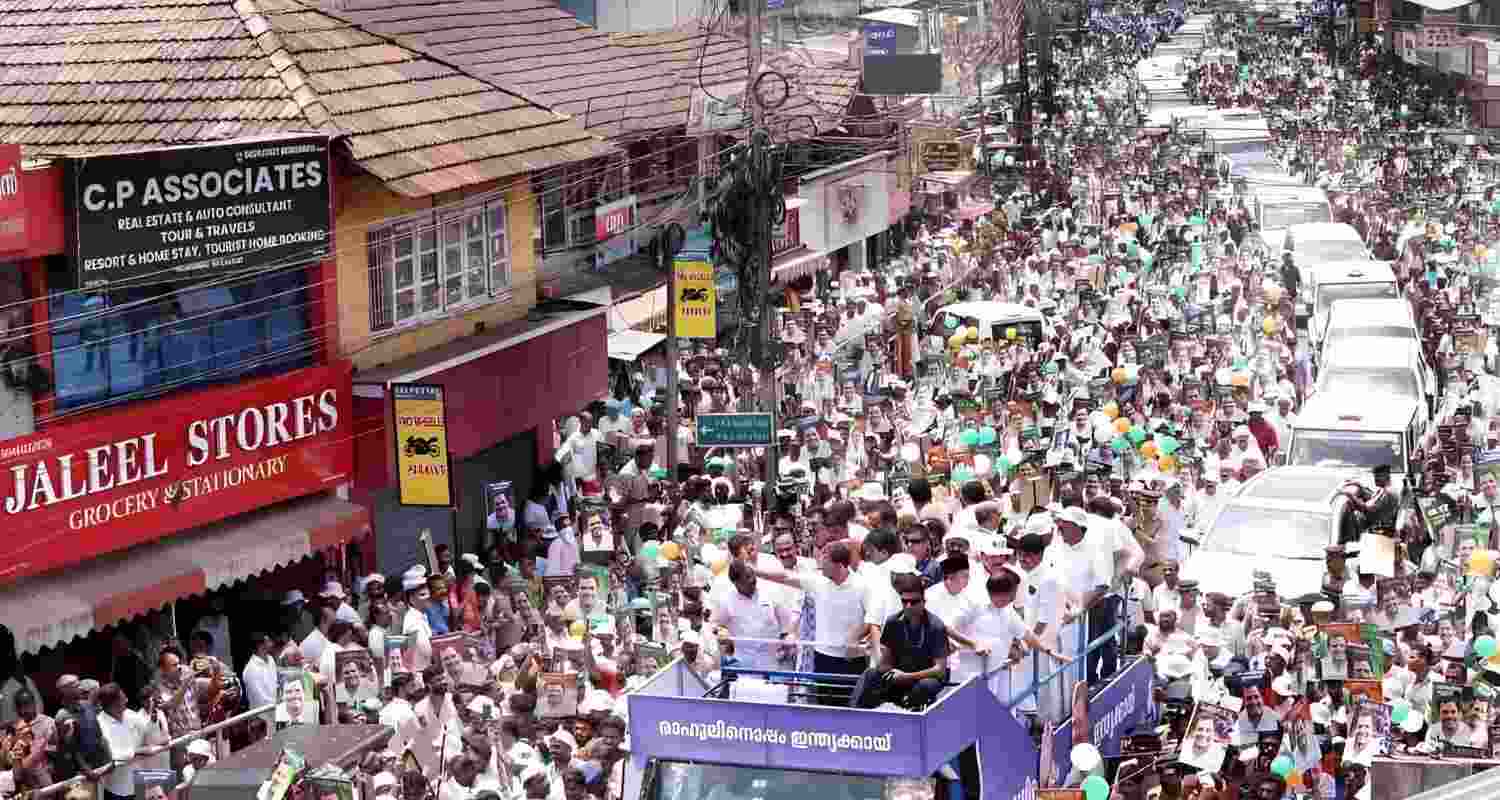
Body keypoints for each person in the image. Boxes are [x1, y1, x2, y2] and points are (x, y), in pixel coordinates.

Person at [850, 573, 948, 710]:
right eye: (904, 601)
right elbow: (886, 663)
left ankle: (907, 716)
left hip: (924, 677)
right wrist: (884, 667)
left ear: (923, 601)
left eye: (914, 602)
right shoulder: (892, 622)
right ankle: (855, 717)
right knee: (870, 675)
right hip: (899, 675)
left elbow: (940, 670)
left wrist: (907, 676)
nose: (908, 606)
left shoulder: (936, 626)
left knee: (925, 686)